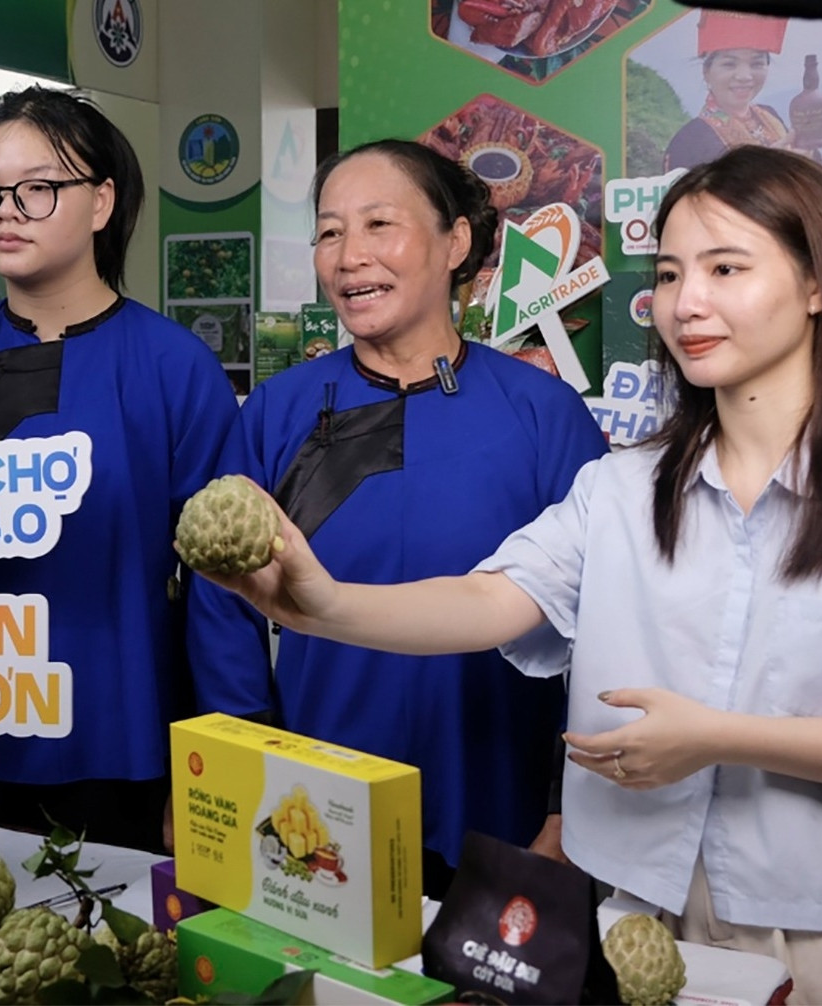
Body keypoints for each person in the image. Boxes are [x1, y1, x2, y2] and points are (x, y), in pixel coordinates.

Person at [197, 146, 822, 1003]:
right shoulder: (624, 487)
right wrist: (322, 604)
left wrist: (718, 736)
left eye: (725, 267)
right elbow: (491, 598)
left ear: (819, 283)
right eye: (669, 274)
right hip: (640, 920)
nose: (686, 303)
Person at [188, 139, 608, 898]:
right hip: (314, 802)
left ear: (456, 242)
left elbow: (602, 627)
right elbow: (223, 602)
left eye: (379, 224)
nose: (349, 256)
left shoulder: (542, 412)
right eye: (328, 231)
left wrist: (567, 804)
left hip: (499, 799)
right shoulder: (280, 411)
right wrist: (239, 759)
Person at [0, 87, 239, 853]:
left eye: (38, 187)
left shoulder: (176, 368)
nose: (5, 209)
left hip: (121, 745)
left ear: (101, 202)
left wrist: (220, 768)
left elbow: (221, 588)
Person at [664, 12, 808, 172]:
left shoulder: (770, 115)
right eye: (729, 64)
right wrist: (767, 168)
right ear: (707, 72)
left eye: (756, 63)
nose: (745, 76)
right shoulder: (689, 140)